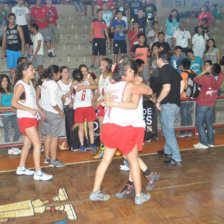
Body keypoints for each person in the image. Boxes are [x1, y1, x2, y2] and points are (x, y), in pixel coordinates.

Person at [89, 61, 152, 205]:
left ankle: (95, 192)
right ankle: (138, 196)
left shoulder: (111, 84)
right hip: (122, 128)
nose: (133, 73)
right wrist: (139, 82)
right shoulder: (129, 85)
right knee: (134, 161)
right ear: (123, 74)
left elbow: (109, 101)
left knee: (105, 160)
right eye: (130, 71)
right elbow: (149, 91)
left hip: (109, 126)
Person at [11, 62, 53, 181]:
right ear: (24, 72)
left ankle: (21, 167)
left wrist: (39, 110)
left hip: (31, 117)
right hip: (25, 118)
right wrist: (30, 109)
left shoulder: (29, 84)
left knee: (27, 144)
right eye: (31, 69)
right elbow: (13, 103)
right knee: (37, 144)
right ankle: (38, 172)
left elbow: (33, 102)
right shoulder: (20, 85)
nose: (33, 71)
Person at [156, 51, 185, 166]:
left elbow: (166, 88)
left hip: (167, 105)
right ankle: (167, 151)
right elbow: (182, 82)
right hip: (175, 104)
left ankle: (176, 158)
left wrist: (158, 101)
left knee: (169, 133)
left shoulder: (163, 70)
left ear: (160, 59)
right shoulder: (173, 69)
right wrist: (176, 95)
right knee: (167, 130)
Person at [193, 64, 224, 149]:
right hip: (211, 103)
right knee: (209, 123)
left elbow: (195, 79)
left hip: (203, 103)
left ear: (211, 70)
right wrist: (212, 69)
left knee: (199, 123)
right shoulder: (220, 77)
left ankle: (203, 142)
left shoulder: (207, 79)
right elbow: (220, 71)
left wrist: (205, 71)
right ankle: (211, 142)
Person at [41, 65, 66, 167]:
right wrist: (60, 112)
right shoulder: (53, 85)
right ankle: (53, 160)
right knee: (55, 138)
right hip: (54, 114)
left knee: (48, 135)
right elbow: (53, 102)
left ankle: (47, 157)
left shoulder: (45, 82)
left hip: (46, 112)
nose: (60, 75)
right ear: (54, 74)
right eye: (59, 73)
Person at [72, 69, 97, 153]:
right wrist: (84, 82)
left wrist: (85, 84)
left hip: (89, 106)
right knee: (81, 128)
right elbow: (75, 85)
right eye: (81, 71)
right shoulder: (75, 82)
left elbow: (95, 86)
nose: (84, 73)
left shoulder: (88, 79)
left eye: (85, 71)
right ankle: (82, 145)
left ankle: (92, 144)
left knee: (91, 127)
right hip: (79, 107)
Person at [92, 58, 112, 159]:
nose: (101, 67)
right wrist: (94, 100)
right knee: (102, 126)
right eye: (100, 65)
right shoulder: (100, 77)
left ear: (108, 66)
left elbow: (112, 93)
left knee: (111, 127)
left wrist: (100, 100)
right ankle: (103, 148)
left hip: (110, 104)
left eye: (103, 64)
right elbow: (98, 92)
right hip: (101, 104)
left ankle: (114, 146)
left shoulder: (112, 77)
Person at [2, 13, 25, 86]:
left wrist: (23, 49)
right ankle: (12, 84)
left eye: (14, 19)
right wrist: (3, 49)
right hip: (9, 51)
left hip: (18, 51)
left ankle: (19, 83)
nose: (12, 20)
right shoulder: (5, 28)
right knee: (11, 68)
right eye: (11, 18)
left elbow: (22, 39)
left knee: (19, 68)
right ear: (8, 19)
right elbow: (4, 39)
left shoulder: (18, 27)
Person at [0, 74, 21, 155]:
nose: (5, 82)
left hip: (14, 113)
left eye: (6, 80)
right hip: (5, 115)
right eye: (2, 81)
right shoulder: (0, 93)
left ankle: (15, 146)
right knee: (7, 132)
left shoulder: (10, 90)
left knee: (18, 130)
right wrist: (10, 108)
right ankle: (9, 148)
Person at [57, 66, 73, 151]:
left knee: (72, 126)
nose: (66, 74)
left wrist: (72, 101)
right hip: (63, 107)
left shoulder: (72, 82)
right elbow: (61, 98)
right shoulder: (58, 84)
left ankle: (72, 143)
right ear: (60, 74)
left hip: (72, 106)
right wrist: (70, 91)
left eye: (67, 72)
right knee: (65, 126)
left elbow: (76, 94)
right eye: (64, 72)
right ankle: (64, 143)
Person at [176, 58, 194, 138]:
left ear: (182, 66)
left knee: (184, 114)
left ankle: (183, 132)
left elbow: (180, 86)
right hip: (192, 97)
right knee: (188, 114)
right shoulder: (194, 73)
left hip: (184, 97)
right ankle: (189, 131)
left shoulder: (182, 74)